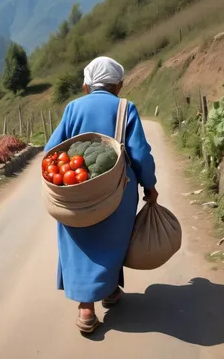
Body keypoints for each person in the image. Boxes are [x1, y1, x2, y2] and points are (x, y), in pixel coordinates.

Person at [45, 56, 158, 334]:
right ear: (119, 85)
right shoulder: (125, 108)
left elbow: (51, 148)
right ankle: (109, 292)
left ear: (86, 87)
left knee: (80, 242)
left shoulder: (73, 108)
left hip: (75, 191)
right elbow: (140, 154)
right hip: (116, 193)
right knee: (112, 240)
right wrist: (150, 186)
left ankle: (86, 308)